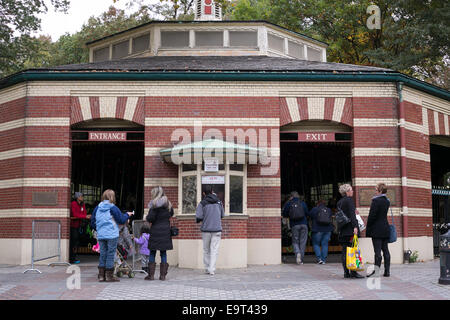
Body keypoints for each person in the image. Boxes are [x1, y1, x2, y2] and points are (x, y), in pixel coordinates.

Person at [90, 189, 133, 282]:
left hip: (101, 235)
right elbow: (121, 220)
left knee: (103, 254)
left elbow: (92, 222)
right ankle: (109, 276)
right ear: (112, 197)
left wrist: (99, 229)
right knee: (110, 254)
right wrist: (127, 215)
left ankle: (101, 276)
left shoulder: (97, 208)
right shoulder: (113, 208)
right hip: (112, 235)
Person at [145, 186, 174, 281]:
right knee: (163, 252)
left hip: (155, 231)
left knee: (152, 252)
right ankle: (162, 276)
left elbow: (150, 219)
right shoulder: (168, 204)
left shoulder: (154, 206)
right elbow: (171, 214)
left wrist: (146, 217)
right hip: (165, 231)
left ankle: (151, 275)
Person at [196, 184, 224, 275]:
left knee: (206, 250)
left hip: (206, 230)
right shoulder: (219, 202)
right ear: (212, 191)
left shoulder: (202, 203)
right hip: (217, 229)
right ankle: (212, 269)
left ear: (204, 193)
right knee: (214, 250)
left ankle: (207, 268)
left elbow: (199, 216)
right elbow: (222, 215)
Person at [337, 184, 364, 279]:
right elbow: (352, 216)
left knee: (344, 252)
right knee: (353, 250)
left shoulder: (339, 202)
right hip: (350, 230)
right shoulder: (349, 201)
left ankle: (346, 273)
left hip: (343, 230)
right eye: (351, 190)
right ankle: (354, 272)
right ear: (347, 191)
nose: (352, 191)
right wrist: (355, 227)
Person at [366, 183, 391, 278]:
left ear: (380, 191)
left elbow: (372, 216)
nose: (375, 191)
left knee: (377, 252)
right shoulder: (387, 201)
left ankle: (376, 272)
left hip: (376, 229)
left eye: (376, 190)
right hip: (385, 227)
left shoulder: (376, 201)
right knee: (386, 250)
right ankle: (387, 271)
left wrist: (368, 228)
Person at [282, 191, 309, 265]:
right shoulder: (302, 203)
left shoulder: (289, 203)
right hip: (304, 224)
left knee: (295, 241)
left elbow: (284, 213)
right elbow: (307, 213)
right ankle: (301, 260)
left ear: (291, 196)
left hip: (294, 225)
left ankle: (297, 253)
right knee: (303, 242)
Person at [308, 199, 334, 264]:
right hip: (328, 230)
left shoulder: (315, 209)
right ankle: (324, 260)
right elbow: (331, 217)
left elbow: (309, 215)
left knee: (316, 244)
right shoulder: (329, 210)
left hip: (317, 230)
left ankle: (319, 259)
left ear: (317, 204)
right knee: (325, 244)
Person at [69, 192, 90, 264]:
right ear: (77, 197)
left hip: (79, 225)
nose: (82, 197)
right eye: (81, 196)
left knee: (77, 242)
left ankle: (74, 257)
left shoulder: (82, 204)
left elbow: (84, 213)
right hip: (73, 226)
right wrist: (84, 216)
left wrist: (83, 216)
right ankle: (71, 258)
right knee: (73, 242)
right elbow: (75, 214)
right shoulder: (73, 204)